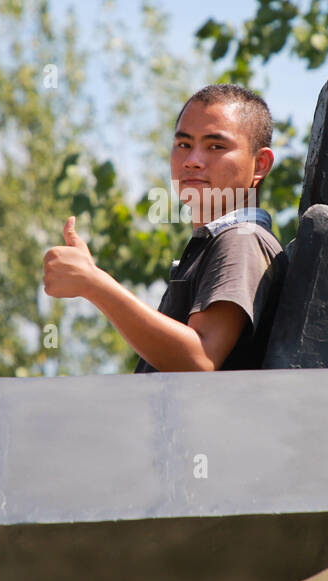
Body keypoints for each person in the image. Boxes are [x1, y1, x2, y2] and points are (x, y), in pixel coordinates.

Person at [42, 83, 287, 372]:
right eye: (184, 145)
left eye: (216, 146)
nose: (192, 161)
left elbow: (198, 359)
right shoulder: (213, 243)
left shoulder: (243, 239)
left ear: (260, 164)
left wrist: (93, 283)